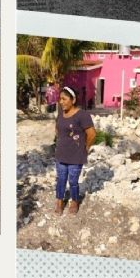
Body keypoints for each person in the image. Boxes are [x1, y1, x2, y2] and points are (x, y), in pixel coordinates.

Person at [54, 86, 96, 215]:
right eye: (60, 99)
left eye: (64, 99)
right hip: (61, 154)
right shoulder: (61, 114)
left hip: (76, 156)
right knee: (61, 179)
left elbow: (92, 134)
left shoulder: (82, 115)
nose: (61, 102)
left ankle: (74, 201)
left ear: (73, 100)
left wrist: (86, 147)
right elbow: (57, 129)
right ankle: (60, 201)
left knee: (72, 181)